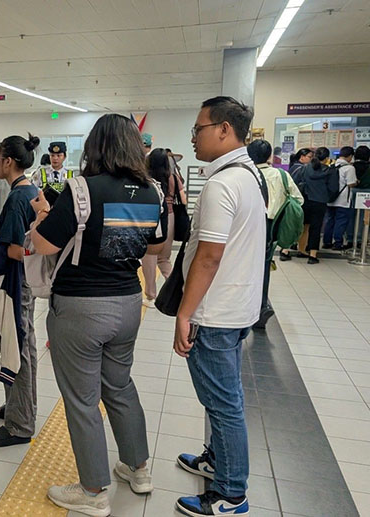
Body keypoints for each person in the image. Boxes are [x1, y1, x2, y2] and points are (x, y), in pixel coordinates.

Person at [29, 114, 164, 516]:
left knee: (82, 400)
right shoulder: (152, 191)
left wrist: (41, 219)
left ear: (95, 146)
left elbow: (45, 245)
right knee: (119, 387)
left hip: (80, 308)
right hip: (128, 303)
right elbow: (155, 247)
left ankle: (92, 491)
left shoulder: (81, 189)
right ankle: (138, 469)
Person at [174, 96, 266, 517]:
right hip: (238, 306)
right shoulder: (250, 176)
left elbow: (209, 256)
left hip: (216, 313)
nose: (194, 138)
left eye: (199, 129)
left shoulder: (222, 184)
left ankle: (230, 492)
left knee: (224, 404)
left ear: (225, 129)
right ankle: (217, 461)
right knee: (224, 398)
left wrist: (185, 313)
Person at [0, 133, 39, 448]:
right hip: (27, 281)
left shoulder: (16, 199)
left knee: (17, 347)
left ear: (8, 161)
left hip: (15, 282)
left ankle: (20, 425)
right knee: (24, 343)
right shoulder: (32, 190)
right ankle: (18, 406)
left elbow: (16, 251)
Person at [248, 140, 303, 329]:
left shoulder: (246, 174)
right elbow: (298, 199)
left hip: (249, 226)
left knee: (244, 265)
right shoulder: (282, 175)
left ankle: (246, 306)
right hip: (273, 226)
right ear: (269, 156)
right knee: (264, 266)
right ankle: (261, 306)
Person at [142, 148, 175, 308]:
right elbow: (183, 198)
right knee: (164, 259)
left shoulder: (147, 180)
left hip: (152, 217)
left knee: (149, 258)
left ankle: (151, 296)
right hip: (170, 216)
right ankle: (175, 290)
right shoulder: (172, 177)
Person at [279, 147, 314, 261]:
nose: (311, 159)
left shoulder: (293, 167)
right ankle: (296, 250)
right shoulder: (303, 168)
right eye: (309, 157)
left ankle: (286, 249)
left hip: (291, 200)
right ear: (302, 157)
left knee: (292, 224)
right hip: (301, 200)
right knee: (302, 226)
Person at [298, 149, 331, 264]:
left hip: (306, 200)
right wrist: (327, 197)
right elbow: (333, 188)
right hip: (320, 202)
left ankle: (299, 249)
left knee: (302, 226)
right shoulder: (329, 171)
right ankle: (313, 255)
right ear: (326, 159)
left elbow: (299, 181)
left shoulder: (305, 168)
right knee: (316, 228)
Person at [323, 146, 357, 250]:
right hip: (343, 200)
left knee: (329, 221)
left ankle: (326, 242)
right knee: (341, 222)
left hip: (330, 199)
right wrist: (356, 182)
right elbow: (351, 183)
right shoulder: (349, 168)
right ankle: (337, 243)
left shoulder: (331, 166)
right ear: (350, 156)